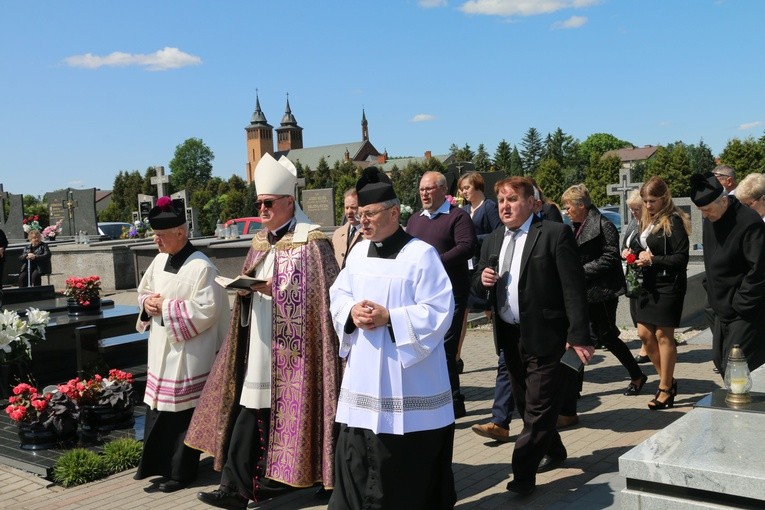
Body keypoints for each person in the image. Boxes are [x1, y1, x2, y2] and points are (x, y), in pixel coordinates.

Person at [190, 153, 341, 509]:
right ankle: (237, 488)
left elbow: (327, 294)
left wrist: (279, 291)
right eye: (259, 203)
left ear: (289, 201)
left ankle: (256, 486)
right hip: (258, 345)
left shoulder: (312, 240)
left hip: (298, 353)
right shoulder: (259, 241)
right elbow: (252, 279)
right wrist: (244, 288)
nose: (262, 209)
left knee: (274, 414)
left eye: (268, 202)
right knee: (251, 410)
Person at [328, 166, 456, 509]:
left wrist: (391, 318)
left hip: (408, 381)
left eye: (369, 214)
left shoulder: (421, 255)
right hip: (363, 381)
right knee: (357, 461)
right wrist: (351, 312)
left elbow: (441, 310)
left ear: (394, 212)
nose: (362, 222)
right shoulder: (357, 254)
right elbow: (337, 295)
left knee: (400, 473)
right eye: (359, 215)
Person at [473, 176, 592, 496]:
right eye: (500, 201)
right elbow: (476, 286)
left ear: (531, 202)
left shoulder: (555, 234)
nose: (505, 206)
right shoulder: (493, 239)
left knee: (537, 410)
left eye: (512, 199)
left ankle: (522, 474)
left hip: (548, 338)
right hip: (510, 339)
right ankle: (553, 449)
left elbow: (574, 289)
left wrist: (580, 336)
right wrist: (481, 280)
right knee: (527, 406)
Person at [133, 196, 231, 493]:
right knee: (158, 411)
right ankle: (159, 467)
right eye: (154, 235)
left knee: (181, 415)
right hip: (163, 347)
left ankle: (181, 472)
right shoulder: (160, 260)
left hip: (190, 353)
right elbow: (144, 291)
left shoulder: (202, 267)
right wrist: (147, 303)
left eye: (161, 236)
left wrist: (166, 308)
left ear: (181, 233)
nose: (156, 241)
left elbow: (207, 311)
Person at [561, 185, 647, 402]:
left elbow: (610, 258)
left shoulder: (604, 224)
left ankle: (637, 375)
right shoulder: (575, 226)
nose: (566, 211)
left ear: (581, 205)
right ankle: (573, 387)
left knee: (607, 336)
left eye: (568, 206)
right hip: (583, 291)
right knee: (578, 335)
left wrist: (580, 271)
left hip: (602, 292)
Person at [405, 171, 476, 418]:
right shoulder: (415, 220)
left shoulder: (457, 217)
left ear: (443, 189)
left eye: (429, 189)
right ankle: (429, 399)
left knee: (446, 350)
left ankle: (455, 403)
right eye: (421, 189)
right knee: (424, 349)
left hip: (450, 296)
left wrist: (433, 261)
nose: (423, 193)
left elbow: (467, 246)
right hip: (420, 297)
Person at [689, 172, 765, 376]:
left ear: (723, 200)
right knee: (722, 363)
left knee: (737, 367)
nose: (705, 215)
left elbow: (758, 271)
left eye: (707, 210)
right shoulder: (711, 219)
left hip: (744, 311)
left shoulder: (749, 222)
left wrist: (740, 303)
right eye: (701, 211)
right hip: (719, 309)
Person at [625, 176, 690, 410]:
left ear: (664, 198)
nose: (648, 205)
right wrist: (631, 253)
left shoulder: (673, 220)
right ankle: (669, 381)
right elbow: (643, 246)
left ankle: (664, 388)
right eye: (645, 200)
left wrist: (653, 260)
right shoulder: (646, 219)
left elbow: (681, 258)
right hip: (649, 285)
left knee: (664, 335)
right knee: (644, 333)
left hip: (669, 286)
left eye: (652, 200)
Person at [457, 172, 501, 369]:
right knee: (463, 310)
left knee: (489, 308)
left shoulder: (490, 207)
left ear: (477, 186)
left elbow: (497, 234)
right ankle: (456, 357)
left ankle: (503, 347)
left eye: (467, 187)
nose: (464, 191)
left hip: (485, 265)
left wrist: (474, 240)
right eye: (462, 188)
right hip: (467, 266)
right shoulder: (465, 210)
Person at [621, 190, 650, 363]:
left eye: (636, 209)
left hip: (645, 275)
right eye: (631, 209)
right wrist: (624, 252)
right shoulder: (633, 223)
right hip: (632, 274)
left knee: (643, 312)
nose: (634, 212)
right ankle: (645, 343)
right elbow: (624, 244)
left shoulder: (649, 224)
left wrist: (639, 254)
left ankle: (646, 347)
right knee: (635, 311)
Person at [331, 188, 362, 267]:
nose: (349, 212)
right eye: (346, 207)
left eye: (353, 207)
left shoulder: (370, 234)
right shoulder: (337, 234)